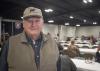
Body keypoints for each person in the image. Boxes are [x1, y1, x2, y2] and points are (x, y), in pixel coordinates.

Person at [0, 7, 77, 71]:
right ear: (23, 24)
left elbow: (58, 67)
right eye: (29, 21)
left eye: (37, 21)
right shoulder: (10, 44)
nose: (33, 24)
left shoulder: (53, 43)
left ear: (42, 22)